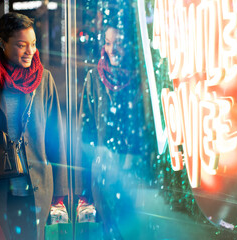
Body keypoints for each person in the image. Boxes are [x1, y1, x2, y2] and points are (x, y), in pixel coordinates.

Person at [0, 12, 69, 240]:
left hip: (38, 188)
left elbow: (56, 139)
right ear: (3, 44)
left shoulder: (44, 80)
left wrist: (60, 188)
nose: (30, 51)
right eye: (21, 45)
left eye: (33, 44)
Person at [75, 18, 151, 239]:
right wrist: (85, 184)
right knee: (109, 229)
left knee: (130, 227)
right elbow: (85, 132)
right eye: (108, 43)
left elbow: (144, 127)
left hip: (131, 169)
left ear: (127, 45)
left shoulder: (139, 79)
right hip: (104, 171)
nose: (112, 49)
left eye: (117, 43)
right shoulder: (94, 77)